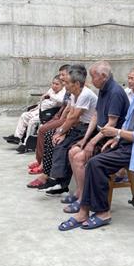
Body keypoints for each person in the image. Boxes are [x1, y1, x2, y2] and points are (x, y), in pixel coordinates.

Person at [58, 61, 134, 231]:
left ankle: (100, 212)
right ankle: (84, 209)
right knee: (91, 160)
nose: (133, 79)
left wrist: (116, 133)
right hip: (126, 142)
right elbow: (128, 122)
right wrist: (116, 138)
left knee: (96, 163)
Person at [62, 61, 129, 212]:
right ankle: (80, 192)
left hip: (113, 140)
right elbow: (96, 116)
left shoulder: (115, 92)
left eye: (93, 77)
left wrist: (92, 143)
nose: (91, 81)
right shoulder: (103, 89)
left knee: (79, 158)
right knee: (73, 151)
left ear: (103, 76)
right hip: (101, 135)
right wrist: (85, 140)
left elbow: (111, 124)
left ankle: (83, 199)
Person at [38, 65, 98, 195]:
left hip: (87, 128)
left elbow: (74, 117)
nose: (64, 85)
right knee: (58, 141)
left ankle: (61, 183)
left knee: (65, 146)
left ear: (76, 84)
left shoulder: (85, 94)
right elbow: (70, 114)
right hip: (78, 126)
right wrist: (62, 132)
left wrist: (61, 132)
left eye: (66, 82)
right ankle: (57, 180)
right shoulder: (74, 93)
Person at [27, 64, 71, 179]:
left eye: (63, 74)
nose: (60, 77)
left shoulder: (71, 88)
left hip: (68, 118)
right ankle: (39, 160)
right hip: (61, 113)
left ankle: (43, 164)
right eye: (60, 74)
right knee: (42, 128)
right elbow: (66, 106)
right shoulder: (67, 87)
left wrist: (60, 123)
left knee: (44, 130)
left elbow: (71, 110)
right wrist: (57, 116)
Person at [4, 75, 65, 153]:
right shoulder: (51, 90)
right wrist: (38, 105)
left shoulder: (63, 93)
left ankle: (26, 143)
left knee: (32, 121)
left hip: (49, 113)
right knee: (24, 115)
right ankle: (17, 137)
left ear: (62, 85)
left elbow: (61, 100)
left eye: (57, 84)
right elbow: (44, 99)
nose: (54, 86)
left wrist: (50, 95)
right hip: (40, 109)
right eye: (53, 83)